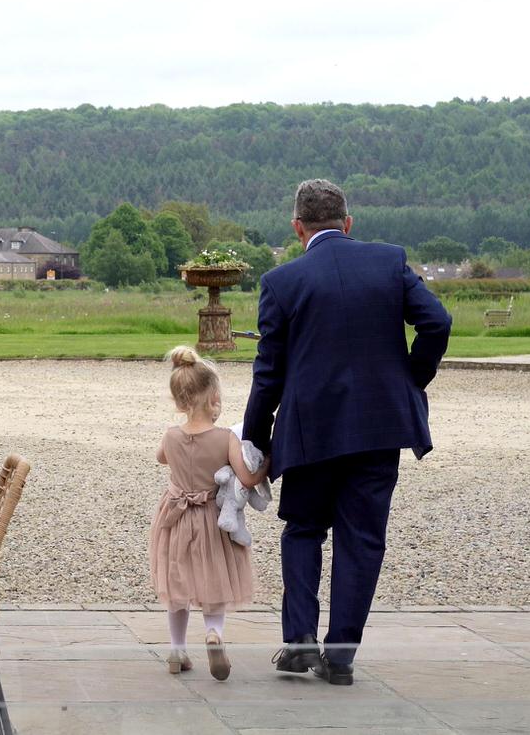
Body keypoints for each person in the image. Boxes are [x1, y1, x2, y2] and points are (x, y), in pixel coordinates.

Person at [242, 178, 451, 686]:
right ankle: (340, 657)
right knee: (362, 540)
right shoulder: (389, 261)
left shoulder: (282, 281)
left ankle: (299, 641)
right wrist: (409, 380)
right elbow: (437, 323)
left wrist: (255, 438)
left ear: (298, 227)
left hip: (310, 430)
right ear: (348, 223)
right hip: (379, 426)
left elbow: (268, 373)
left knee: (304, 529)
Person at [150, 346, 259, 681]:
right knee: (214, 578)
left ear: (178, 401)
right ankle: (213, 633)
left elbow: (161, 458)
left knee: (177, 583)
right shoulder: (225, 438)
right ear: (214, 397)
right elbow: (247, 478)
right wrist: (265, 463)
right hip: (212, 518)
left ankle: (177, 649)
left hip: (176, 518)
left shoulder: (171, 435)